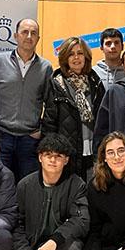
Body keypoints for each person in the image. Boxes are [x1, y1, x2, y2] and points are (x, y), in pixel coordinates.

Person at [12, 133, 89, 250]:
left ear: (66, 160)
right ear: (40, 157)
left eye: (58, 156)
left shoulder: (76, 184)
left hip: (60, 248)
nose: (53, 160)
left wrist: (55, 240)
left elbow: (81, 220)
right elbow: (17, 225)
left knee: (74, 249)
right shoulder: (25, 185)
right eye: (48, 155)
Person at [0, 18, 52, 182]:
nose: (29, 36)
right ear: (16, 36)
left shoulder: (46, 67)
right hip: (2, 135)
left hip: (30, 138)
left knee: (28, 185)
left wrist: (40, 130)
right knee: (0, 184)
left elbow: (51, 104)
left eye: (34, 33)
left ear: (38, 38)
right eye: (25, 32)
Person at [41, 37, 105, 181]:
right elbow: (49, 122)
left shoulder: (95, 82)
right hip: (67, 153)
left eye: (80, 53)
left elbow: (104, 119)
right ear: (64, 58)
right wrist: (52, 153)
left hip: (93, 151)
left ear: (86, 57)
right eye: (71, 54)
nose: (76, 57)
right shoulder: (56, 84)